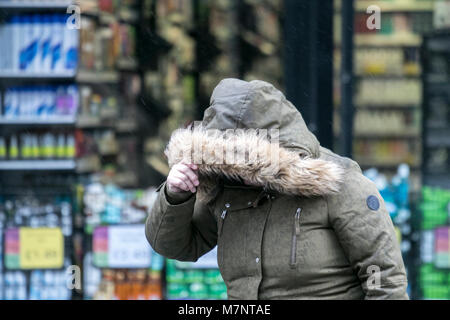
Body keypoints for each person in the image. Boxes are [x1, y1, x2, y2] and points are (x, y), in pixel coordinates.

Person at [145, 78, 409, 299]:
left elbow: (384, 278)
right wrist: (175, 195)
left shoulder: (340, 185)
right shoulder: (225, 187)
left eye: (251, 163)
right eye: (231, 164)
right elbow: (176, 246)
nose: (244, 174)